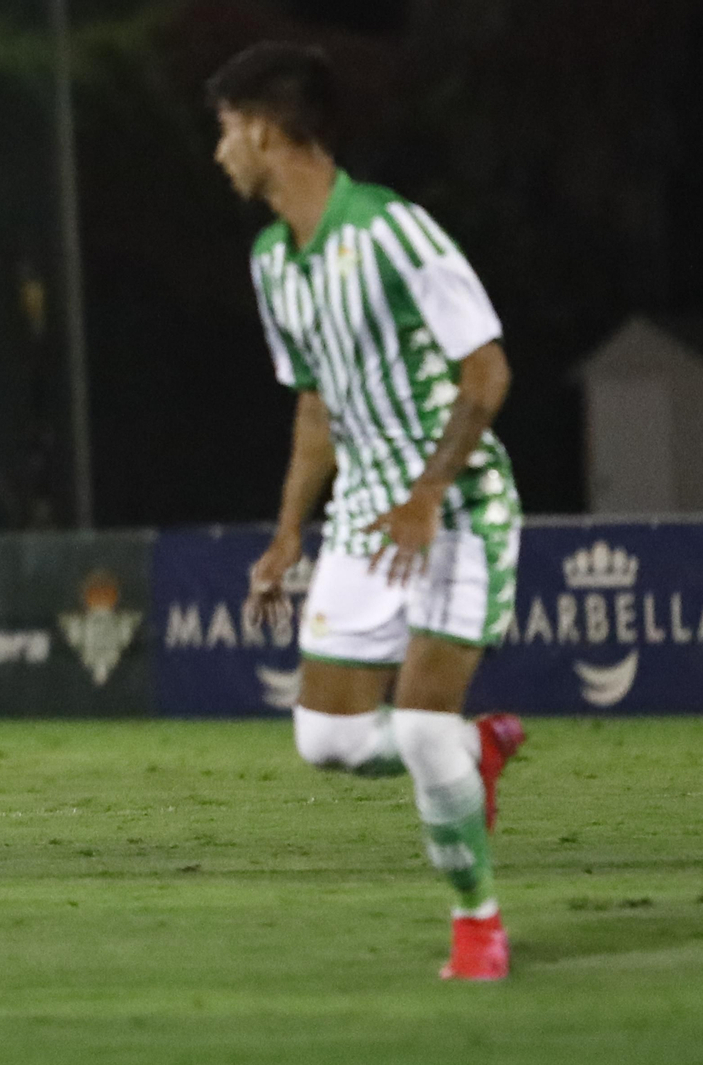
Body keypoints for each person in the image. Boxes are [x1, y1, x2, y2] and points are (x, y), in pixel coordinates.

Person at [209, 42, 526, 981]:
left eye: (226, 132)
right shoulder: (275, 261)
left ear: (265, 130)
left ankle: (480, 924)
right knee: (330, 741)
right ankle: (474, 753)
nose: (220, 152)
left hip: (458, 507)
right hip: (361, 521)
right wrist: (286, 533)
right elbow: (316, 405)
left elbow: (488, 371)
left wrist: (428, 491)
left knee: (420, 733)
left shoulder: (394, 233)